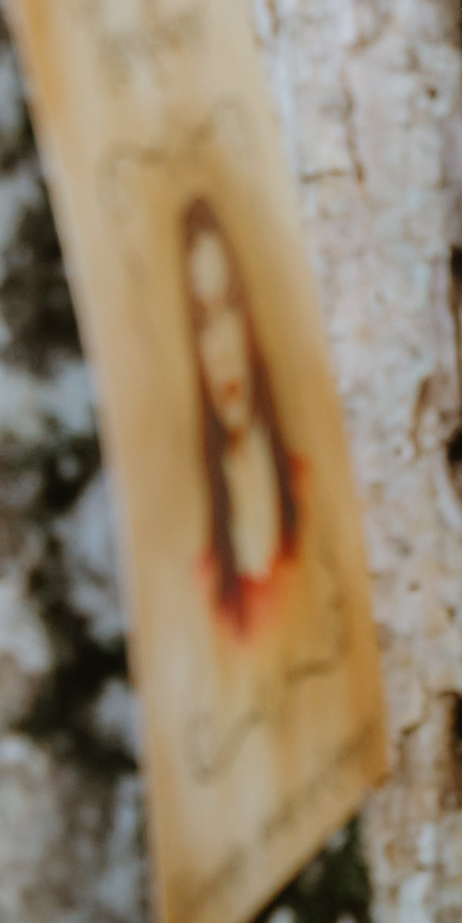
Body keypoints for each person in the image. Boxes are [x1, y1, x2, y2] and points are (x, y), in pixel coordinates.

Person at [185, 197, 300, 633]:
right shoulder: (206, 571)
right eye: (203, 320)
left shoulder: (304, 489)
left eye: (230, 309)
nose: (224, 349)